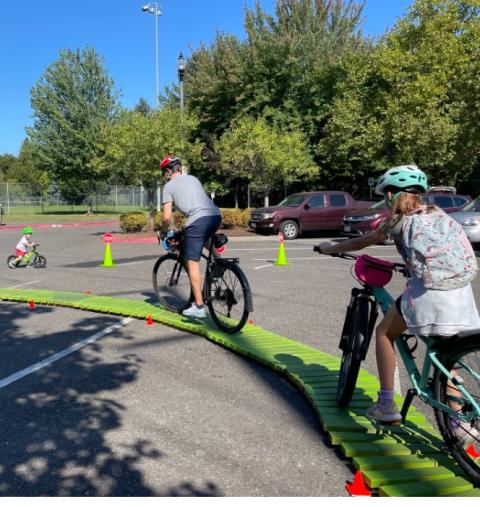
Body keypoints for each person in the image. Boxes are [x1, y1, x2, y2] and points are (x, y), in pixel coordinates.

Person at [316, 165, 480, 444]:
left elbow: (361, 242)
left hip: (430, 295)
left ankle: (387, 405)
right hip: (462, 294)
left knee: (384, 333)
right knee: (444, 356)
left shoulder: (396, 222)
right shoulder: (441, 215)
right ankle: (460, 424)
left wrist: (329, 247)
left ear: (391, 195)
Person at [159, 156, 222, 318]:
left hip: (198, 219)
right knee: (202, 236)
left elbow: (166, 218)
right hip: (215, 215)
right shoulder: (193, 179)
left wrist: (163, 231)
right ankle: (218, 264)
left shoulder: (168, 187)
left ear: (168, 171)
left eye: (164, 173)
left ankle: (199, 306)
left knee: (191, 260)